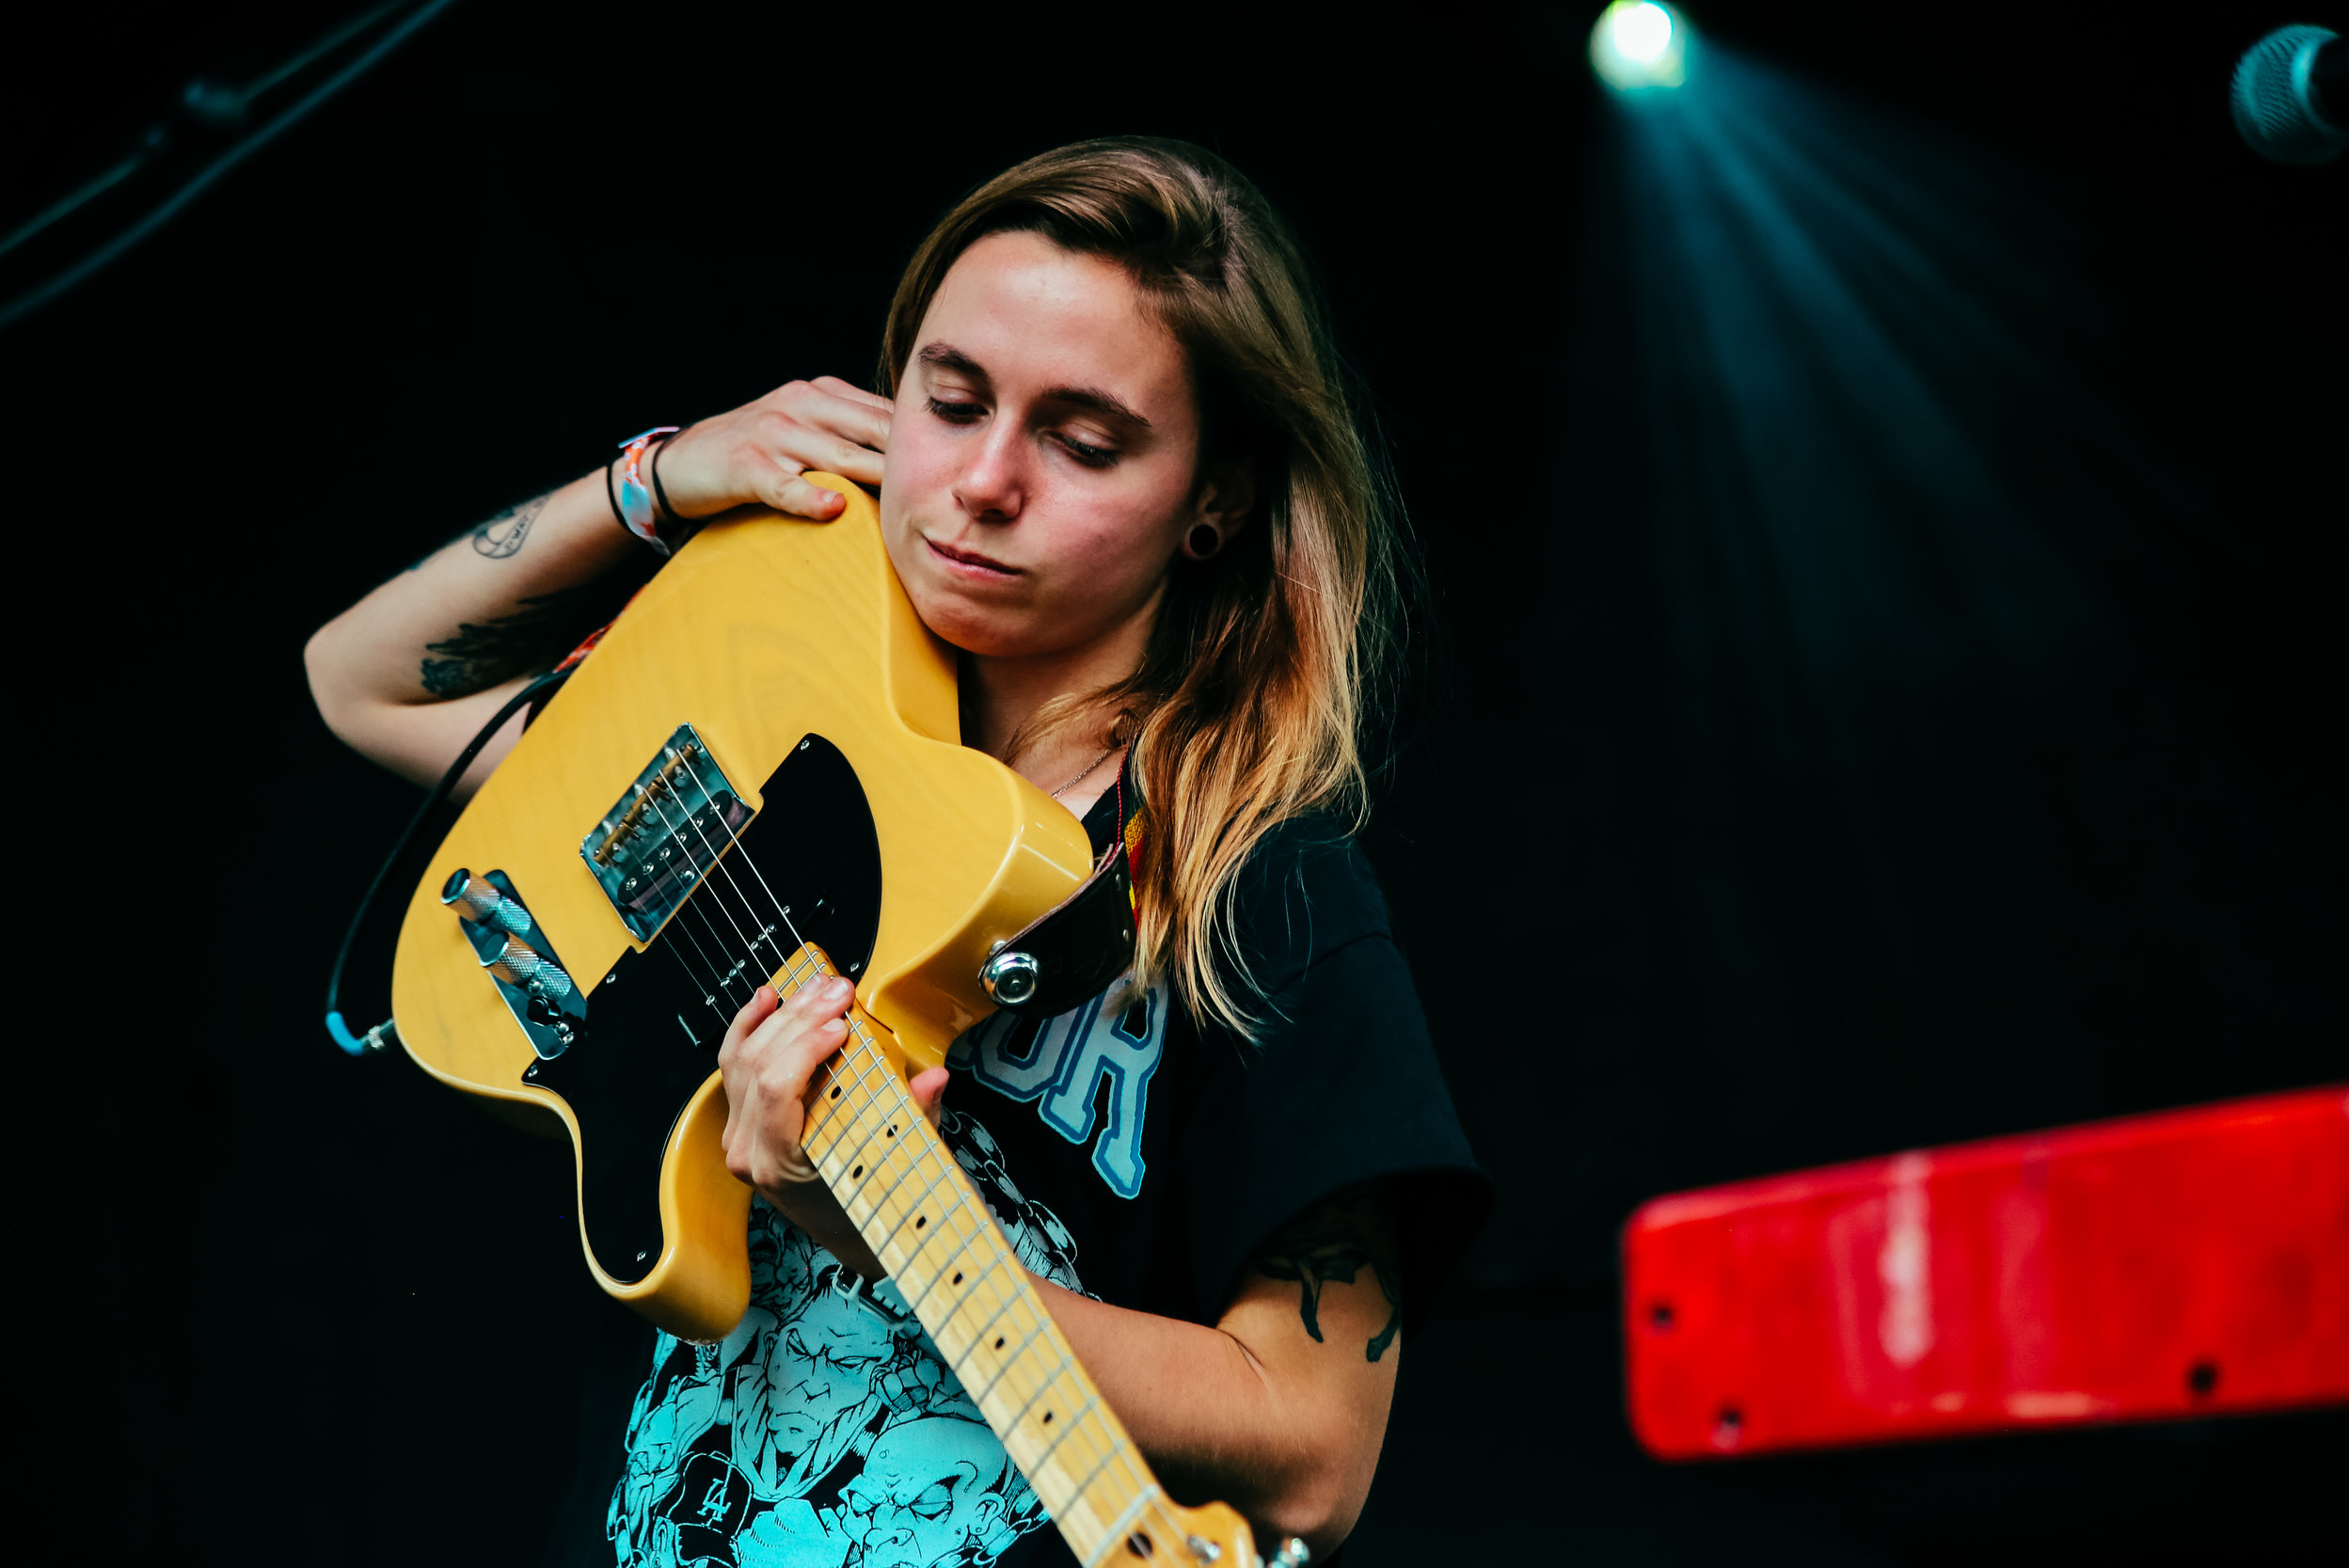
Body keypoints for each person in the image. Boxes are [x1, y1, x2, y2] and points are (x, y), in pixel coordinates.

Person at [306, 137, 1488, 1568]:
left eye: (1084, 439)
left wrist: (883, 1229)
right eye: (952, 399)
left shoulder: (1264, 891)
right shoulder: (762, 714)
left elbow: (1314, 1461)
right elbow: (365, 679)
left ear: (1218, 498)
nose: (983, 480)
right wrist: (663, 479)